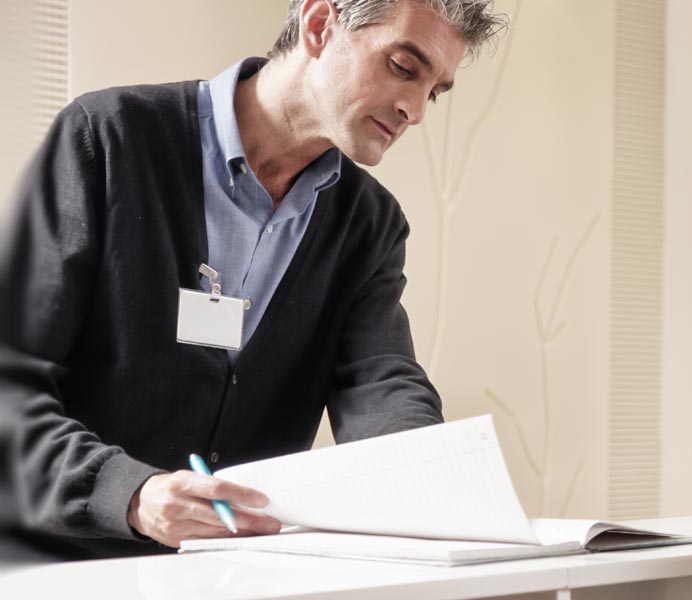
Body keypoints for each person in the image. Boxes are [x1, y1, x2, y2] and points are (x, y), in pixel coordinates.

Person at [0, 0, 505, 562]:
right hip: (53, 571)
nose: (415, 110)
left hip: (235, 575)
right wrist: (132, 495)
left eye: (433, 91)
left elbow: (381, 383)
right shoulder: (110, 136)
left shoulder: (370, 224)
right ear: (319, 25)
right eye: (404, 68)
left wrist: (435, 477)